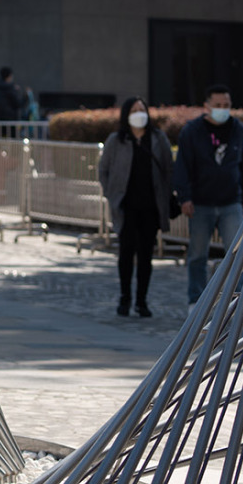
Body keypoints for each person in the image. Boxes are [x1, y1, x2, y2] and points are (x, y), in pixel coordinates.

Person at [173, 83, 243, 311]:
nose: (222, 109)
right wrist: (185, 197)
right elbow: (182, 167)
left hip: (231, 202)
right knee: (198, 254)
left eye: (226, 105)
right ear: (207, 106)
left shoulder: (238, 130)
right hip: (200, 203)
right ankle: (196, 300)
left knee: (238, 253)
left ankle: (238, 300)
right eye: (218, 105)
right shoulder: (192, 131)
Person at [98, 97, 173, 318]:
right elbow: (103, 170)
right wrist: (111, 194)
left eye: (142, 109)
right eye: (134, 110)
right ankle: (125, 298)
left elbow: (168, 168)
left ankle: (141, 300)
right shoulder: (116, 140)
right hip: (126, 206)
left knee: (145, 254)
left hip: (150, 206)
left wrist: (166, 195)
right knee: (126, 252)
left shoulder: (157, 138)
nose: (139, 114)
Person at [0, 66, 25, 135]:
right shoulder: (10, 89)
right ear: (9, 76)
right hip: (9, 120)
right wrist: (25, 97)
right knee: (10, 138)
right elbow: (18, 103)